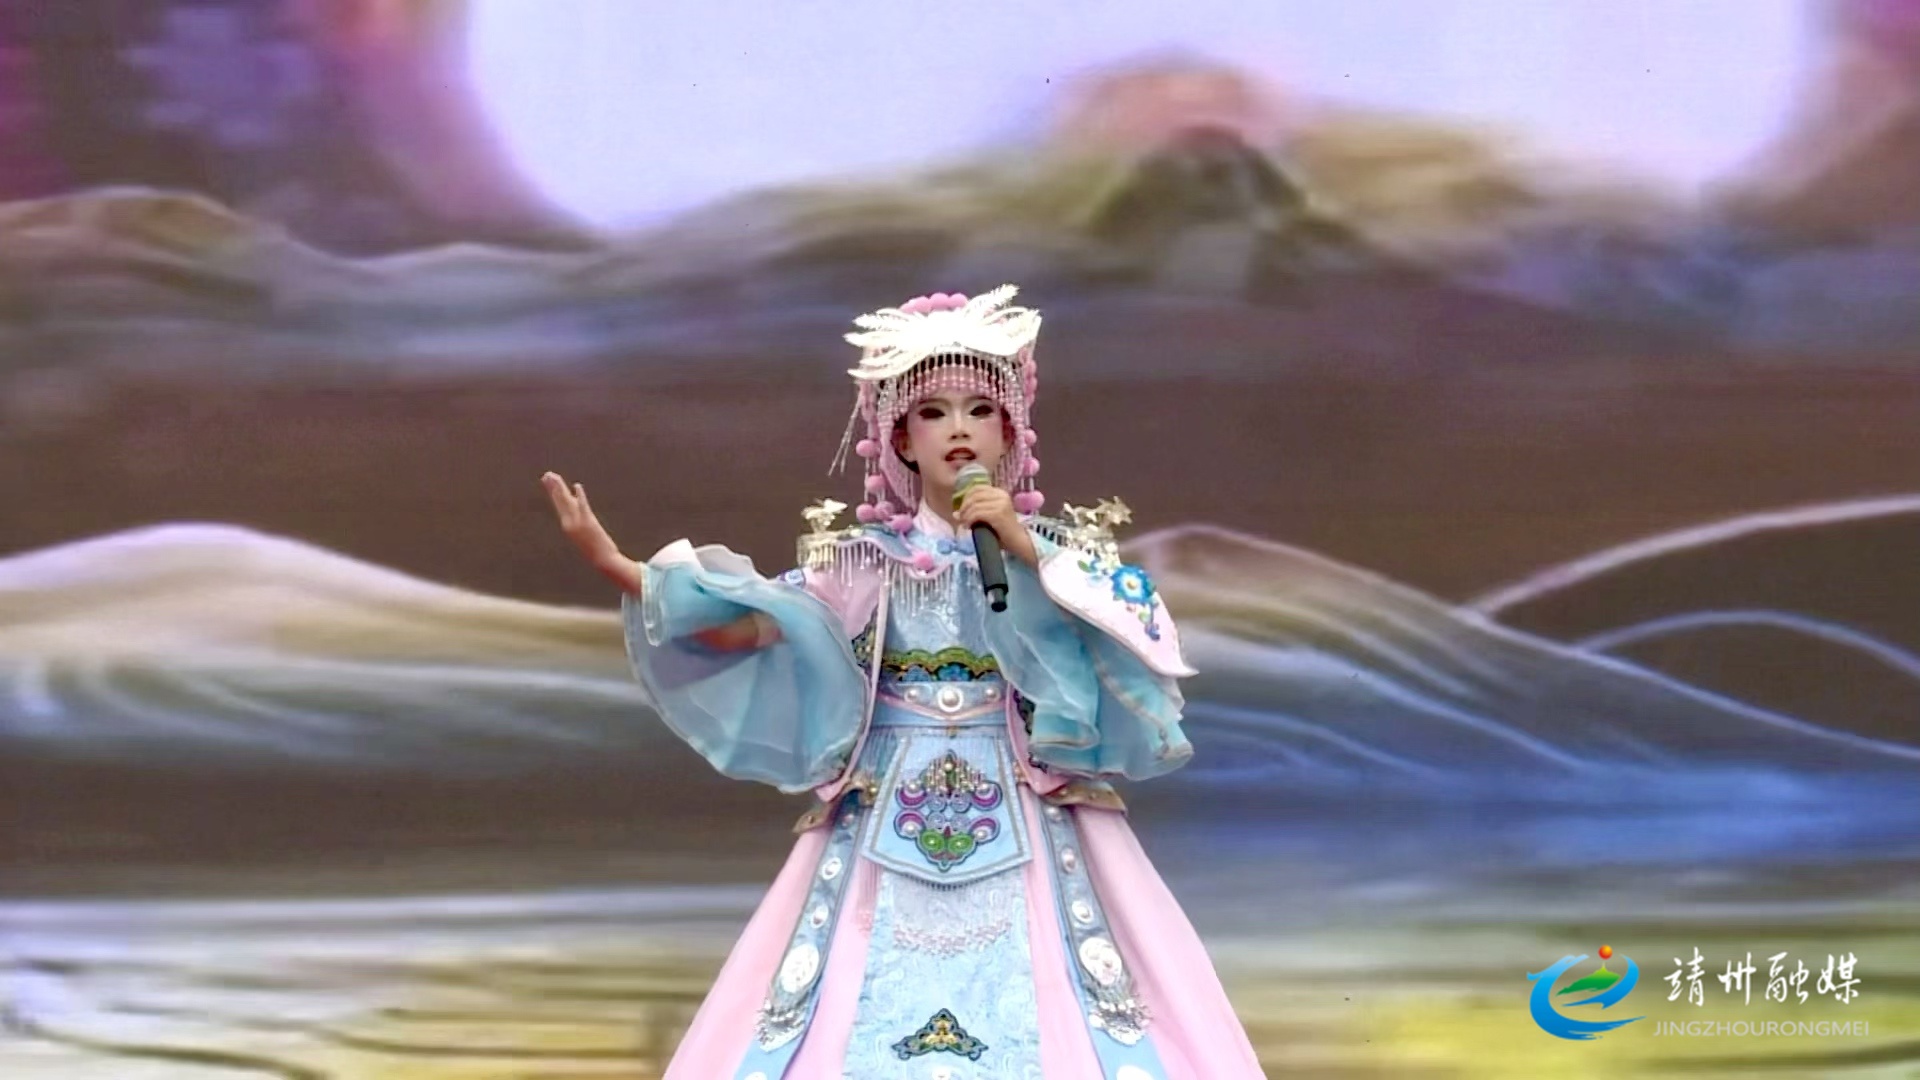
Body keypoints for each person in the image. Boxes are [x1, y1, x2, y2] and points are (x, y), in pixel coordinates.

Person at [542, 286, 1264, 1079]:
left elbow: (1141, 631)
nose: (959, 428)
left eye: (980, 411)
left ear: (1009, 432)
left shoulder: (1053, 554)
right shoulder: (860, 562)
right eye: (933, 412)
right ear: (900, 441)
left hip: (1025, 799)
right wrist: (623, 570)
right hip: (885, 807)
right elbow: (745, 627)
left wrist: (1023, 549)